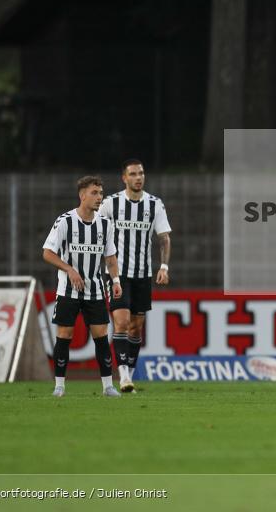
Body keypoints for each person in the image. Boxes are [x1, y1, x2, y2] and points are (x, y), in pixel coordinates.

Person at [42, 176, 122, 397]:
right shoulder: (65, 221)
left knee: (101, 337)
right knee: (64, 335)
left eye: (101, 193)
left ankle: (107, 387)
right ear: (82, 195)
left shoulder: (105, 224)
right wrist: (69, 269)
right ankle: (59, 386)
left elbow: (111, 257)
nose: (99, 198)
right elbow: (47, 253)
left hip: (95, 289)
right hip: (67, 290)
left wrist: (115, 281)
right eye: (94, 193)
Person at [99, 159, 172, 393]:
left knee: (136, 328)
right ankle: (123, 377)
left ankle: (129, 372)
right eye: (133, 174)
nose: (138, 177)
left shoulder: (154, 204)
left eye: (141, 173)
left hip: (142, 274)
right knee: (120, 323)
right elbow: (96, 233)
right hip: (117, 275)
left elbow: (164, 238)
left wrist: (164, 267)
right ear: (124, 178)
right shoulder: (111, 203)